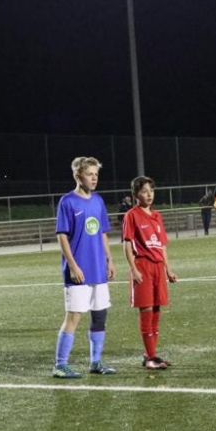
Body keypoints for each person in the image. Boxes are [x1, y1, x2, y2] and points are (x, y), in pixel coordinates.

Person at [52, 156, 116, 378]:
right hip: (78, 270)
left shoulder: (98, 201)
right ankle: (60, 365)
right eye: (90, 174)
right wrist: (72, 265)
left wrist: (109, 259)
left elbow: (102, 232)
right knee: (74, 317)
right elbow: (62, 236)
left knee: (100, 316)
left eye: (96, 174)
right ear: (77, 176)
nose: (94, 178)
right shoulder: (67, 201)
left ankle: (96, 362)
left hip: (98, 269)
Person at [122, 176, 178, 370]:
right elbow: (127, 244)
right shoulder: (131, 215)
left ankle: (150, 354)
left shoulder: (157, 216)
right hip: (143, 266)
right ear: (136, 194)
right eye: (144, 191)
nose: (149, 195)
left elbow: (162, 246)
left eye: (151, 191)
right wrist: (134, 269)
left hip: (158, 268)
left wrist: (168, 269)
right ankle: (150, 358)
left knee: (156, 311)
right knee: (146, 311)